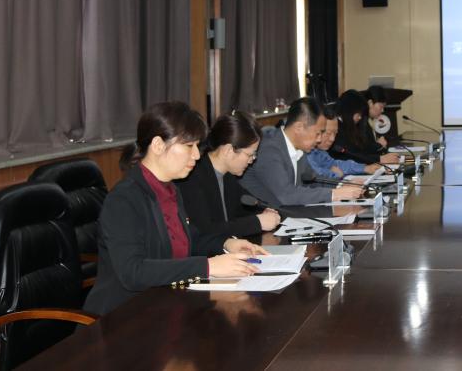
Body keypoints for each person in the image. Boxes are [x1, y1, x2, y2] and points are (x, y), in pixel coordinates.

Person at [85, 102, 267, 316]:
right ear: (158, 145)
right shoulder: (124, 199)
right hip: (125, 315)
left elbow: (191, 239)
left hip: (166, 303)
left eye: (197, 146)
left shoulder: (170, 189)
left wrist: (227, 243)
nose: (197, 155)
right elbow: (133, 272)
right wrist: (207, 266)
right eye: (189, 146)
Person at [241, 97, 364, 206]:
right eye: (318, 133)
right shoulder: (269, 149)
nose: (319, 139)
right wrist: (334, 194)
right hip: (265, 218)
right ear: (299, 127)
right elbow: (286, 195)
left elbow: (313, 181)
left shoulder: (299, 147)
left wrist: (341, 185)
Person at [176, 111, 281, 237]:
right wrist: (257, 222)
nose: (252, 160)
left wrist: (265, 212)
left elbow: (244, 209)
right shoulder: (193, 178)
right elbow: (205, 231)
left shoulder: (228, 176)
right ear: (229, 150)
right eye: (250, 154)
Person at [306, 104, 382, 179]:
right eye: (328, 133)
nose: (332, 139)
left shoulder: (320, 151)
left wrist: (365, 168)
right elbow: (316, 174)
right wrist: (336, 174)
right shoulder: (306, 152)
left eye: (335, 134)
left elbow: (335, 164)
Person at [330, 89, 402, 165]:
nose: (360, 117)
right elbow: (350, 156)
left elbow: (360, 150)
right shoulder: (336, 128)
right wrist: (380, 159)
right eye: (358, 114)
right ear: (349, 110)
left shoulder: (348, 124)